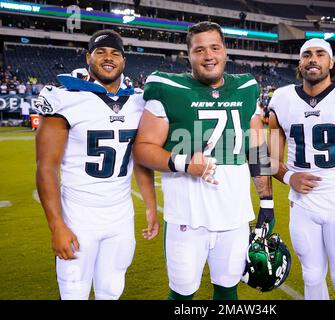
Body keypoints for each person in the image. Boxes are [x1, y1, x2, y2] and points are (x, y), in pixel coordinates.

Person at [133, 21, 274, 300]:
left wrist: (267, 204)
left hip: (234, 217)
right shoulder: (168, 88)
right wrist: (185, 163)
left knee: (227, 289)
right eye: (200, 50)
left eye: (214, 47)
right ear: (189, 55)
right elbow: (143, 149)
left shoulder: (246, 87)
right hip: (188, 219)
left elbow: (258, 150)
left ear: (225, 51)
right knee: (182, 295)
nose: (208, 55)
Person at [34, 29, 159, 300]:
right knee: (74, 292)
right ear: (88, 57)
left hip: (121, 215)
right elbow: (45, 167)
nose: (108, 58)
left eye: (115, 53)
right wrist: (57, 226)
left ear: (124, 61)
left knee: (112, 290)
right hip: (78, 215)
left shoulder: (140, 100)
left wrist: (151, 207)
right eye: (100, 52)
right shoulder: (65, 98)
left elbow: (141, 158)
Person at [268, 39, 335, 300]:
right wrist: (289, 176)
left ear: (331, 62)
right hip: (303, 208)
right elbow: (265, 157)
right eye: (306, 54)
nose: (313, 59)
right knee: (311, 276)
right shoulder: (282, 98)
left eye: (320, 54)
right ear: (299, 63)